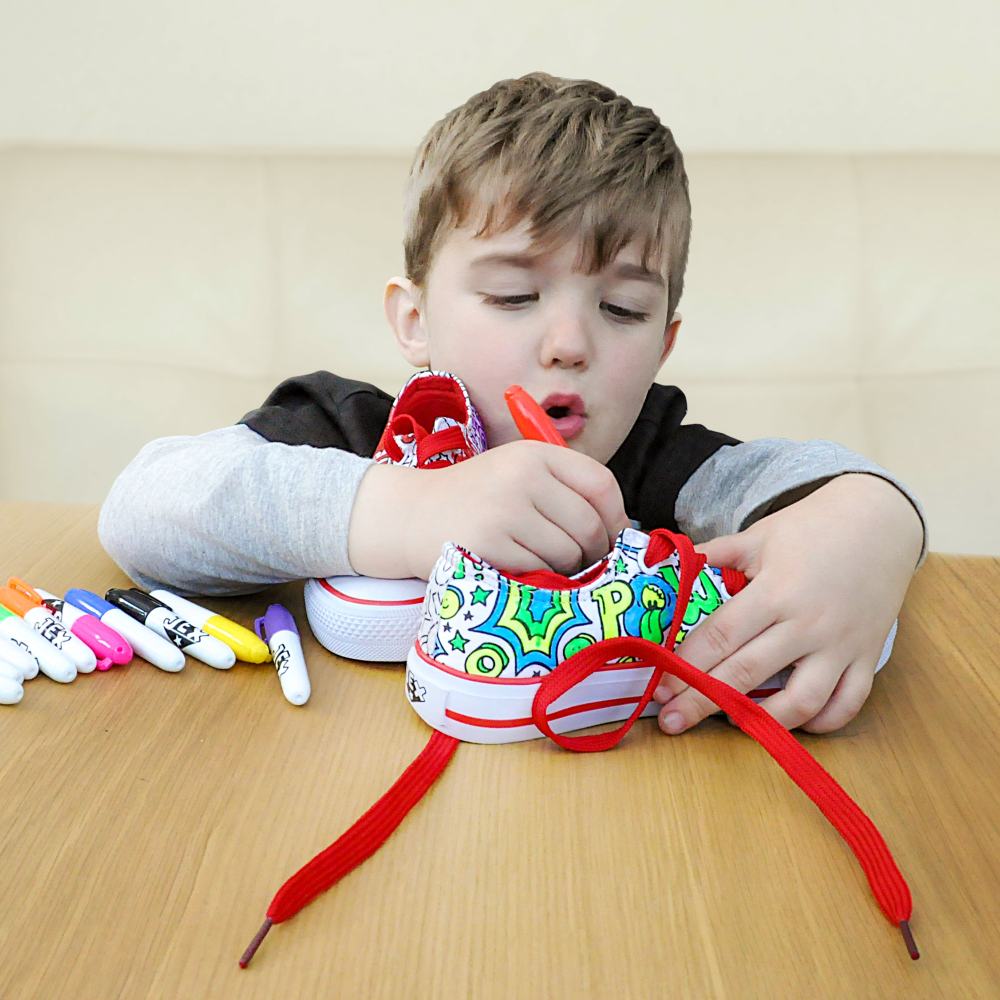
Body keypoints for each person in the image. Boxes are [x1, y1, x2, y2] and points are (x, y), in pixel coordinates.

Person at [99, 72, 926, 737]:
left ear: (664, 345)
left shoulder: (651, 453)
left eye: (622, 310)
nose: (569, 342)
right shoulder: (352, 431)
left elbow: (818, 482)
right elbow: (143, 507)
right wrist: (410, 513)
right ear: (415, 321)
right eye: (512, 295)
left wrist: (874, 527)